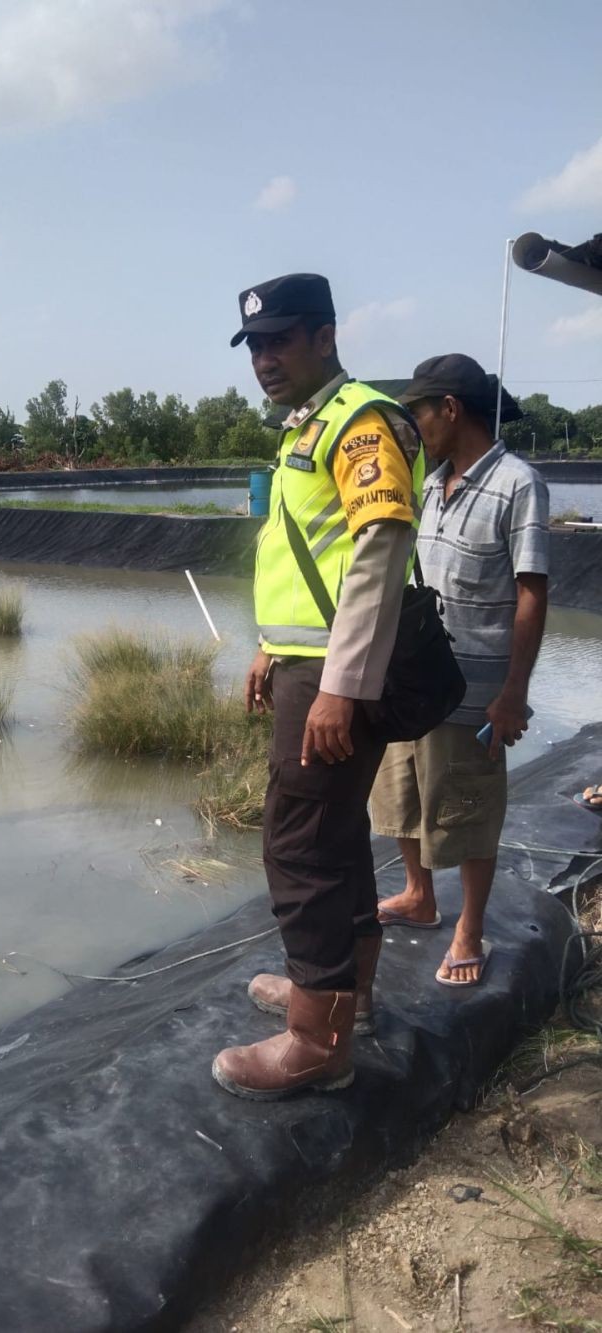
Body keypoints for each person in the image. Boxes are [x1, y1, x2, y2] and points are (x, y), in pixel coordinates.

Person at [212, 273, 425, 1101]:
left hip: (336, 673)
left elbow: (378, 545)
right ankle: (346, 996)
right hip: (307, 662)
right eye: (256, 346)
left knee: (298, 846)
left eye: (281, 341)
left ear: (326, 337)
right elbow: (310, 552)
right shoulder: (309, 425)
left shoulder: (360, 420)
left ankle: (314, 1039)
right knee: (333, 839)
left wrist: (341, 684)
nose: (264, 359)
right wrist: (271, 646)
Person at [370, 354, 550, 985]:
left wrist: (513, 694)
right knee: (398, 797)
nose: (414, 426)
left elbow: (532, 592)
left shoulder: (518, 484)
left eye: (419, 411)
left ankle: (469, 928)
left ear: (451, 408)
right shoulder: (429, 482)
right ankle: (419, 896)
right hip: (415, 679)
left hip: (476, 694)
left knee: (470, 811)